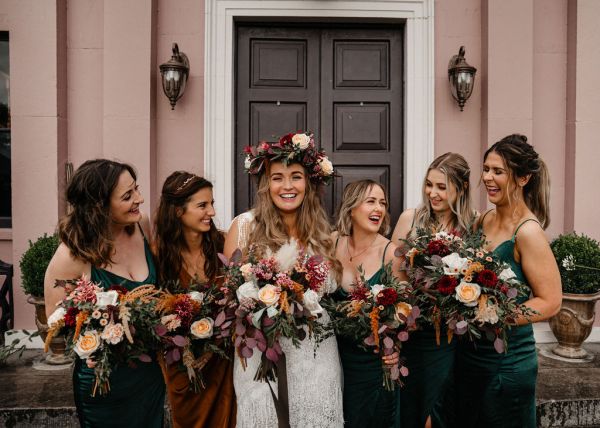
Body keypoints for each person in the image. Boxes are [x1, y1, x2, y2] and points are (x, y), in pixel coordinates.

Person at [223, 132, 344, 428]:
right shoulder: (244, 226)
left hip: (316, 355)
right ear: (266, 185)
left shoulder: (324, 235)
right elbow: (228, 297)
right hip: (261, 356)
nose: (287, 186)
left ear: (309, 183)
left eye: (296, 177)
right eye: (278, 177)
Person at [44, 159, 165, 428]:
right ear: (99, 205)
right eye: (127, 196)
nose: (140, 199)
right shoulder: (72, 254)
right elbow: (54, 320)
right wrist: (101, 325)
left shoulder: (141, 225)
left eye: (136, 189)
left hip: (148, 375)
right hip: (103, 382)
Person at [452, 134, 561, 427]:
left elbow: (550, 302)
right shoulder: (483, 219)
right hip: (470, 357)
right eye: (486, 169)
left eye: (498, 171)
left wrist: (496, 315)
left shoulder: (528, 233)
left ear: (523, 178)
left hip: (507, 365)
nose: (487, 177)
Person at [390, 152, 476, 428]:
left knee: (440, 410)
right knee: (414, 408)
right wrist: (408, 302)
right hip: (415, 332)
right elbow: (394, 273)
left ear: (461, 188)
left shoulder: (474, 225)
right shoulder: (410, 219)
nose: (432, 193)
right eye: (429, 185)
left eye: (442, 187)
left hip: (453, 337)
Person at [153, 171, 236, 428]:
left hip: (223, 361)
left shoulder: (223, 245)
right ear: (178, 211)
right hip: (183, 363)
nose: (211, 211)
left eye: (212, 204)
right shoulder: (159, 255)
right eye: (202, 205)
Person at [332, 179, 402, 428]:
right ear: (351, 208)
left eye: (382, 203)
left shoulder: (392, 254)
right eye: (370, 201)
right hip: (334, 359)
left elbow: (407, 314)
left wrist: (395, 346)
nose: (379, 209)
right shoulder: (333, 243)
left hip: (372, 363)